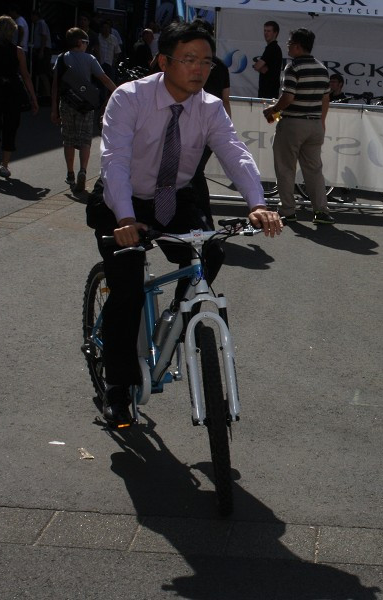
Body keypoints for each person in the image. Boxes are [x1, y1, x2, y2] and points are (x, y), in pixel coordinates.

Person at [94, 21, 282, 426]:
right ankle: (116, 387)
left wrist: (257, 204)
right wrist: (124, 216)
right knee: (125, 288)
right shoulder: (130, 98)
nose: (199, 69)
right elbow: (116, 162)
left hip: (174, 197)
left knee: (210, 252)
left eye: (207, 62)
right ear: (163, 61)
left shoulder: (210, 107)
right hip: (122, 200)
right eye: (189, 60)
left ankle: (179, 319)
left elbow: (235, 153)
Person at [263, 28, 333, 225]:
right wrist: (322, 121)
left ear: (297, 46)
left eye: (289, 42)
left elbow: (288, 97)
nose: (287, 45)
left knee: (285, 168)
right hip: (315, 124)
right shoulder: (322, 68)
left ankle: (288, 210)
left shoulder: (292, 67)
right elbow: (325, 99)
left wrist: (272, 110)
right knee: (314, 170)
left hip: (293, 123)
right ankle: (321, 210)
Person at [51, 28, 116, 193]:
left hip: (66, 103)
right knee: (85, 139)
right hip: (85, 104)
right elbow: (104, 79)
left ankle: (70, 174)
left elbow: (55, 85)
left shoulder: (61, 58)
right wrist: (118, 92)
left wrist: (54, 109)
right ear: (80, 42)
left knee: (68, 139)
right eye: (87, 42)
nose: (88, 46)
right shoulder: (90, 59)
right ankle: (83, 171)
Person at [0, 15, 38, 178]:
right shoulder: (18, 51)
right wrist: (33, 98)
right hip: (13, 91)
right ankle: (4, 165)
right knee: (11, 126)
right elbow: (25, 76)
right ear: (12, 32)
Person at [188, 18, 230, 228]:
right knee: (193, 173)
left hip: (202, 126)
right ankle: (199, 221)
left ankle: (204, 222)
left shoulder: (216, 65)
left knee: (194, 173)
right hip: (201, 126)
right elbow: (226, 100)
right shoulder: (221, 65)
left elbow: (224, 100)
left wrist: (226, 129)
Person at [254, 20, 281, 99]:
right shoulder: (272, 48)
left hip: (269, 92)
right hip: (267, 91)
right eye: (265, 31)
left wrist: (260, 67)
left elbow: (257, 66)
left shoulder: (272, 48)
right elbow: (259, 67)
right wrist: (261, 68)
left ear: (275, 33)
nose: (266, 33)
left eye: (269, 31)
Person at [29, 10, 51, 101]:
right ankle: (44, 93)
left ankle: (48, 94)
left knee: (43, 72)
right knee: (39, 72)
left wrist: (41, 50)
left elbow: (44, 37)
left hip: (44, 49)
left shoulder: (41, 23)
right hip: (39, 49)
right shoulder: (37, 25)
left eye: (32, 16)